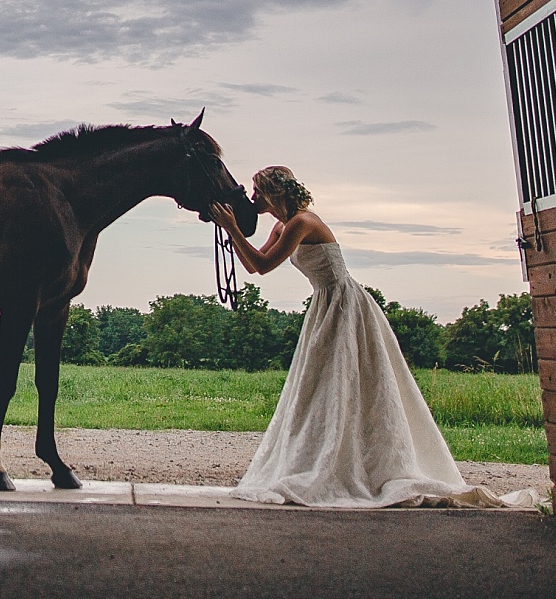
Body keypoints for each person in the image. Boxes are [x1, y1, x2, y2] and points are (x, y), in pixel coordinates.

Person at [208, 166, 534, 508]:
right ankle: (332, 454)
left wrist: (233, 228)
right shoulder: (281, 226)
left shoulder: (303, 222)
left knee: (344, 379)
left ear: (275, 193)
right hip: (324, 302)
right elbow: (252, 266)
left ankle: (360, 465)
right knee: (322, 383)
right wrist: (230, 232)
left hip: (344, 304)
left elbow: (262, 264)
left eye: (258, 191)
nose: (253, 197)